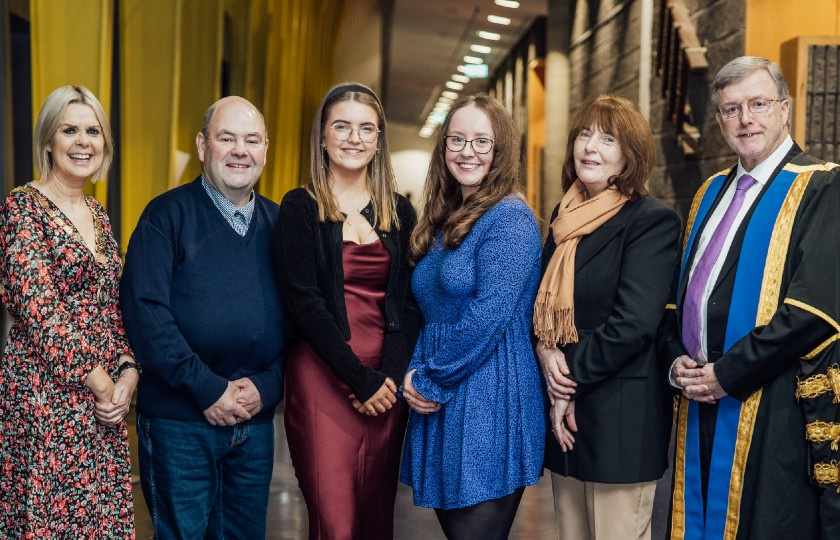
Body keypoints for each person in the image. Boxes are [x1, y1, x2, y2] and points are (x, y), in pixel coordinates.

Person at [660, 56, 840, 538]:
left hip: (772, 402)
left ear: (785, 108)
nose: (746, 119)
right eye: (731, 109)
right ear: (718, 121)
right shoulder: (709, 192)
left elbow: (815, 310)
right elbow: (678, 301)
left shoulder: (824, 184)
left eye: (758, 104)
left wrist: (729, 374)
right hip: (698, 397)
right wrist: (677, 361)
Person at [120, 96, 285, 538]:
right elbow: (145, 315)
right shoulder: (165, 215)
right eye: (226, 137)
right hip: (180, 422)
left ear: (266, 148)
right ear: (201, 144)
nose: (239, 150)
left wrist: (268, 386)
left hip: (255, 424)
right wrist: (208, 389)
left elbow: (303, 320)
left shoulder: (282, 225)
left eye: (251, 140)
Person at [272, 82, 420, 540]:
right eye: (342, 126)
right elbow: (303, 303)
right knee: (335, 523)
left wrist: (389, 380)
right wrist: (360, 379)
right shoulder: (300, 206)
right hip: (323, 375)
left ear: (379, 141)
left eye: (366, 129)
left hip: (386, 384)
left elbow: (409, 304)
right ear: (322, 136)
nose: (354, 138)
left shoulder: (400, 212)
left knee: (375, 520)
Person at [533, 95, 680, 539]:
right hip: (566, 421)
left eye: (607, 138)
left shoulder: (651, 221)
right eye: (584, 134)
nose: (590, 147)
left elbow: (632, 325)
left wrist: (566, 379)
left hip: (619, 417)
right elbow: (539, 306)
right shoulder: (565, 217)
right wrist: (544, 350)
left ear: (629, 154)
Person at [400, 94, 545, 539]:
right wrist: (417, 372)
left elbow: (487, 319)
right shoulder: (448, 217)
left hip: (489, 395)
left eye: (482, 141)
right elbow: (429, 312)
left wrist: (427, 380)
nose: (467, 151)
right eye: (457, 140)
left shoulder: (511, 219)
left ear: (501, 150)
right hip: (446, 391)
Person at [0, 85, 137, 537]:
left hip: (103, 405)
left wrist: (126, 371)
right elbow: (41, 310)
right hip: (45, 398)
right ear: (48, 142)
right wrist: (100, 382)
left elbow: (111, 307)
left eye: (93, 131)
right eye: (70, 129)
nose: (83, 141)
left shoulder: (98, 214)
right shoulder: (22, 208)